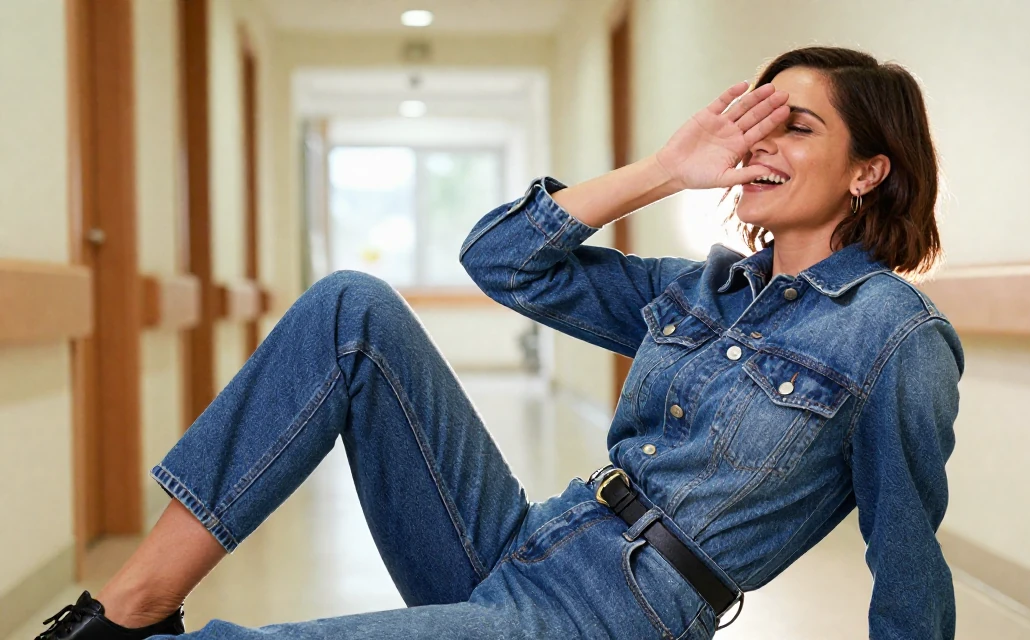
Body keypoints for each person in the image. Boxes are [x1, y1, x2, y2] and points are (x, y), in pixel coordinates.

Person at [38, 46, 962, 640]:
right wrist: (664, 172)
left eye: (794, 128)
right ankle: (127, 609)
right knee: (349, 308)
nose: (760, 142)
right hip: (531, 540)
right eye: (753, 120)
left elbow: (907, 557)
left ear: (869, 171)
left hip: (616, 615)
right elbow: (505, 260)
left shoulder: (893, 334)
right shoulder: (701, 290)